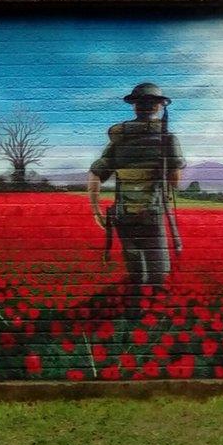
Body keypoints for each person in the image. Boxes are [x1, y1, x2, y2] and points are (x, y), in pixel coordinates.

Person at [87, 82, 185, 312]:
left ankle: (134, 307)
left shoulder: (118, 140)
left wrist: (95, 210)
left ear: (135, 107)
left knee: (135, 265)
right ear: (159, 106)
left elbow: (95, 174)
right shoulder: (168, 139)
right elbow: (175, 181)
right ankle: (150, 312)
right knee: (159, 271)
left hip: (122, 214)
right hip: (152, 214)